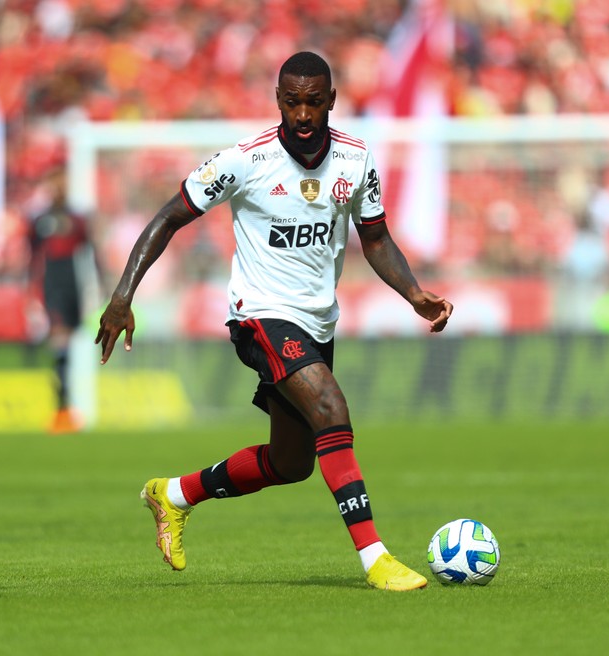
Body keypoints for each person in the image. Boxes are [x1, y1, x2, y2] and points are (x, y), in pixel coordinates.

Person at [95, 51, 453, 591]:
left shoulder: (355, 160)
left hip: (317, 323)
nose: (303, 114)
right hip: (259, 316)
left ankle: (172, 495)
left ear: (332, 100)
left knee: (291, 463)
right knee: (331, 407)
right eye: (292, 103)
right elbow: (169, 216)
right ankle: (375, 558)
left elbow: (375, 239)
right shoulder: (245, 161)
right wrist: (123, 295)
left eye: (314, 102)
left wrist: (412, 293)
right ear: (278, 101)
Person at [27, 171, 92, 433]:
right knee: (59, 344)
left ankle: (69, 406)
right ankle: (62, 408)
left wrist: (101, 287)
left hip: (74, 286)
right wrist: (30, 293)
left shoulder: (77, 220)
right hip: (51, 287)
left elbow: (91, 252)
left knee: (71, 347)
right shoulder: (40, 220)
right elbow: (31, 258)